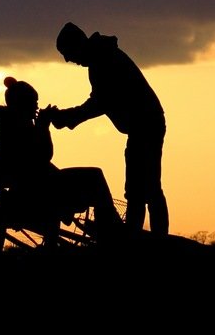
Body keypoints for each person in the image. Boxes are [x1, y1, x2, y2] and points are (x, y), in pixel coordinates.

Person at [49, 22, 169, 237]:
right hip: (141, 126)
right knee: (137, 189)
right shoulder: (101, 57)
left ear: (77, 45)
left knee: (147, 188)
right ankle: (136, 237)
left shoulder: (103, 60)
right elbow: (100, 102)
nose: (68, 60)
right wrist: (67, 117)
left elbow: (99, 103)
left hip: (146, 125)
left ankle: (151, 239)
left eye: (67, 53)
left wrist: (67, 118)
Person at [0, 77, 123, 240]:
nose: (37, 106)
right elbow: (43, 157)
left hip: (29, 188)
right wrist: (43, 128)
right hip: (37, 191)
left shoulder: (7, 124)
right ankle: (110, 227)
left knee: (91, 177)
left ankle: (108, 225)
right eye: (34, 102)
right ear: (23, 104)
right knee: (95, 176)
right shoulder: (20, 126)